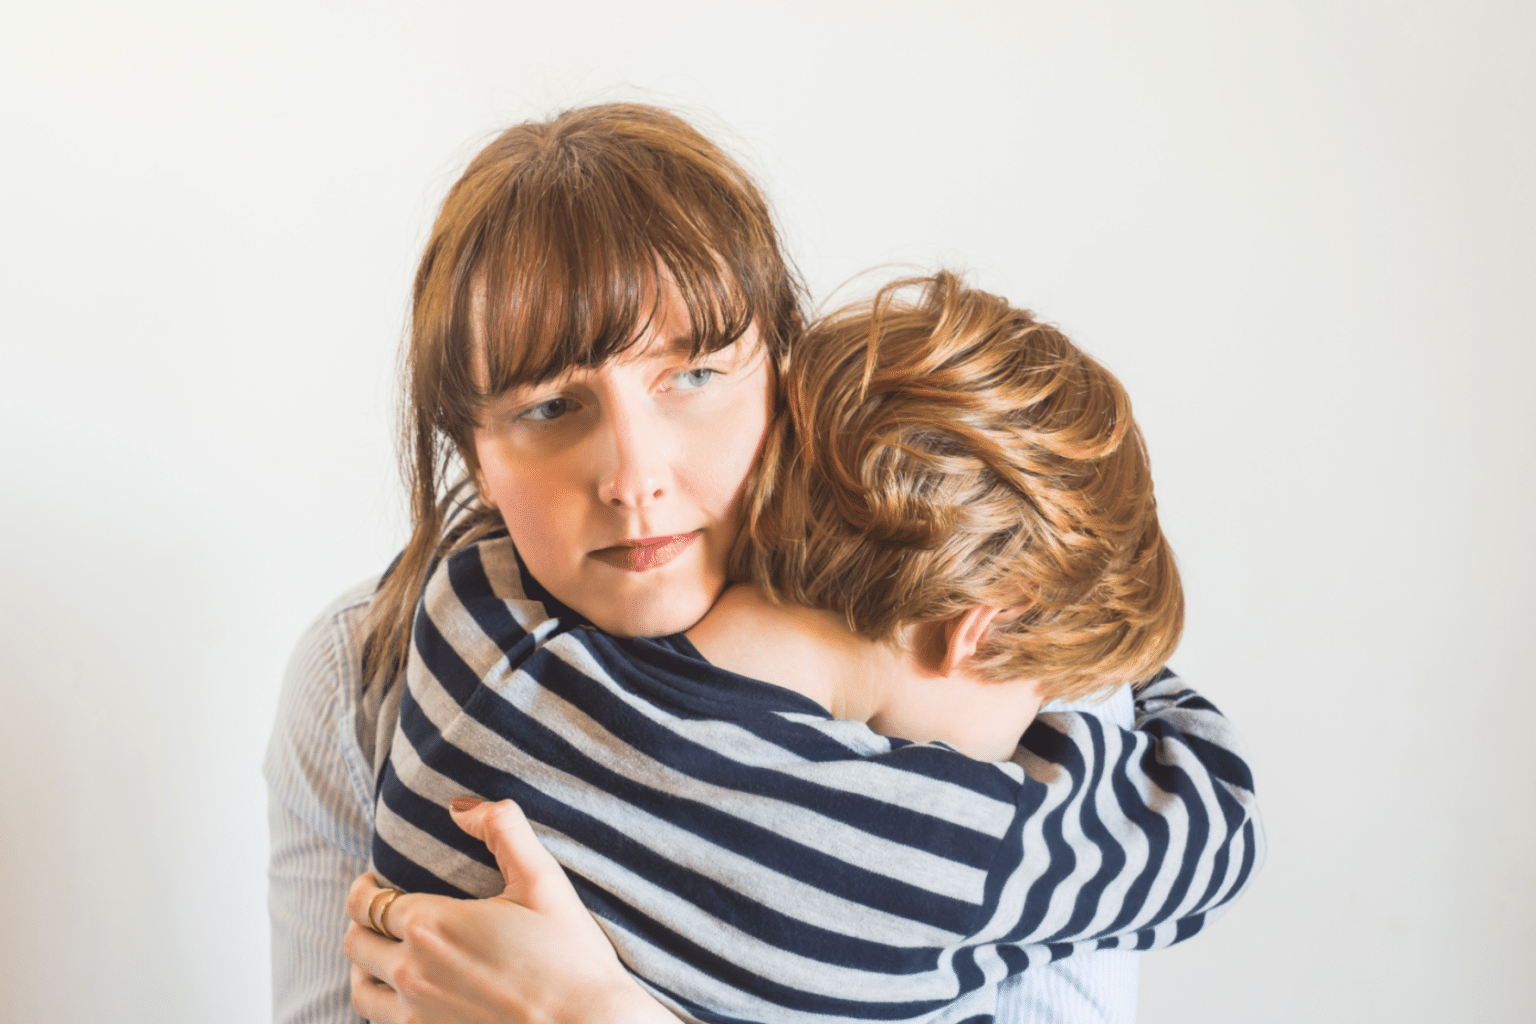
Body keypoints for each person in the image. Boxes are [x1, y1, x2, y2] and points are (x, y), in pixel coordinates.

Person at [265, 103, 1254, 1024]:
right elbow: (1203, 826)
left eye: (694, 375)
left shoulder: (467, 618)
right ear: (474, 452)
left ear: (790, 365)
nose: (633, 476)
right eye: (549, 407)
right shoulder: (364, 662)